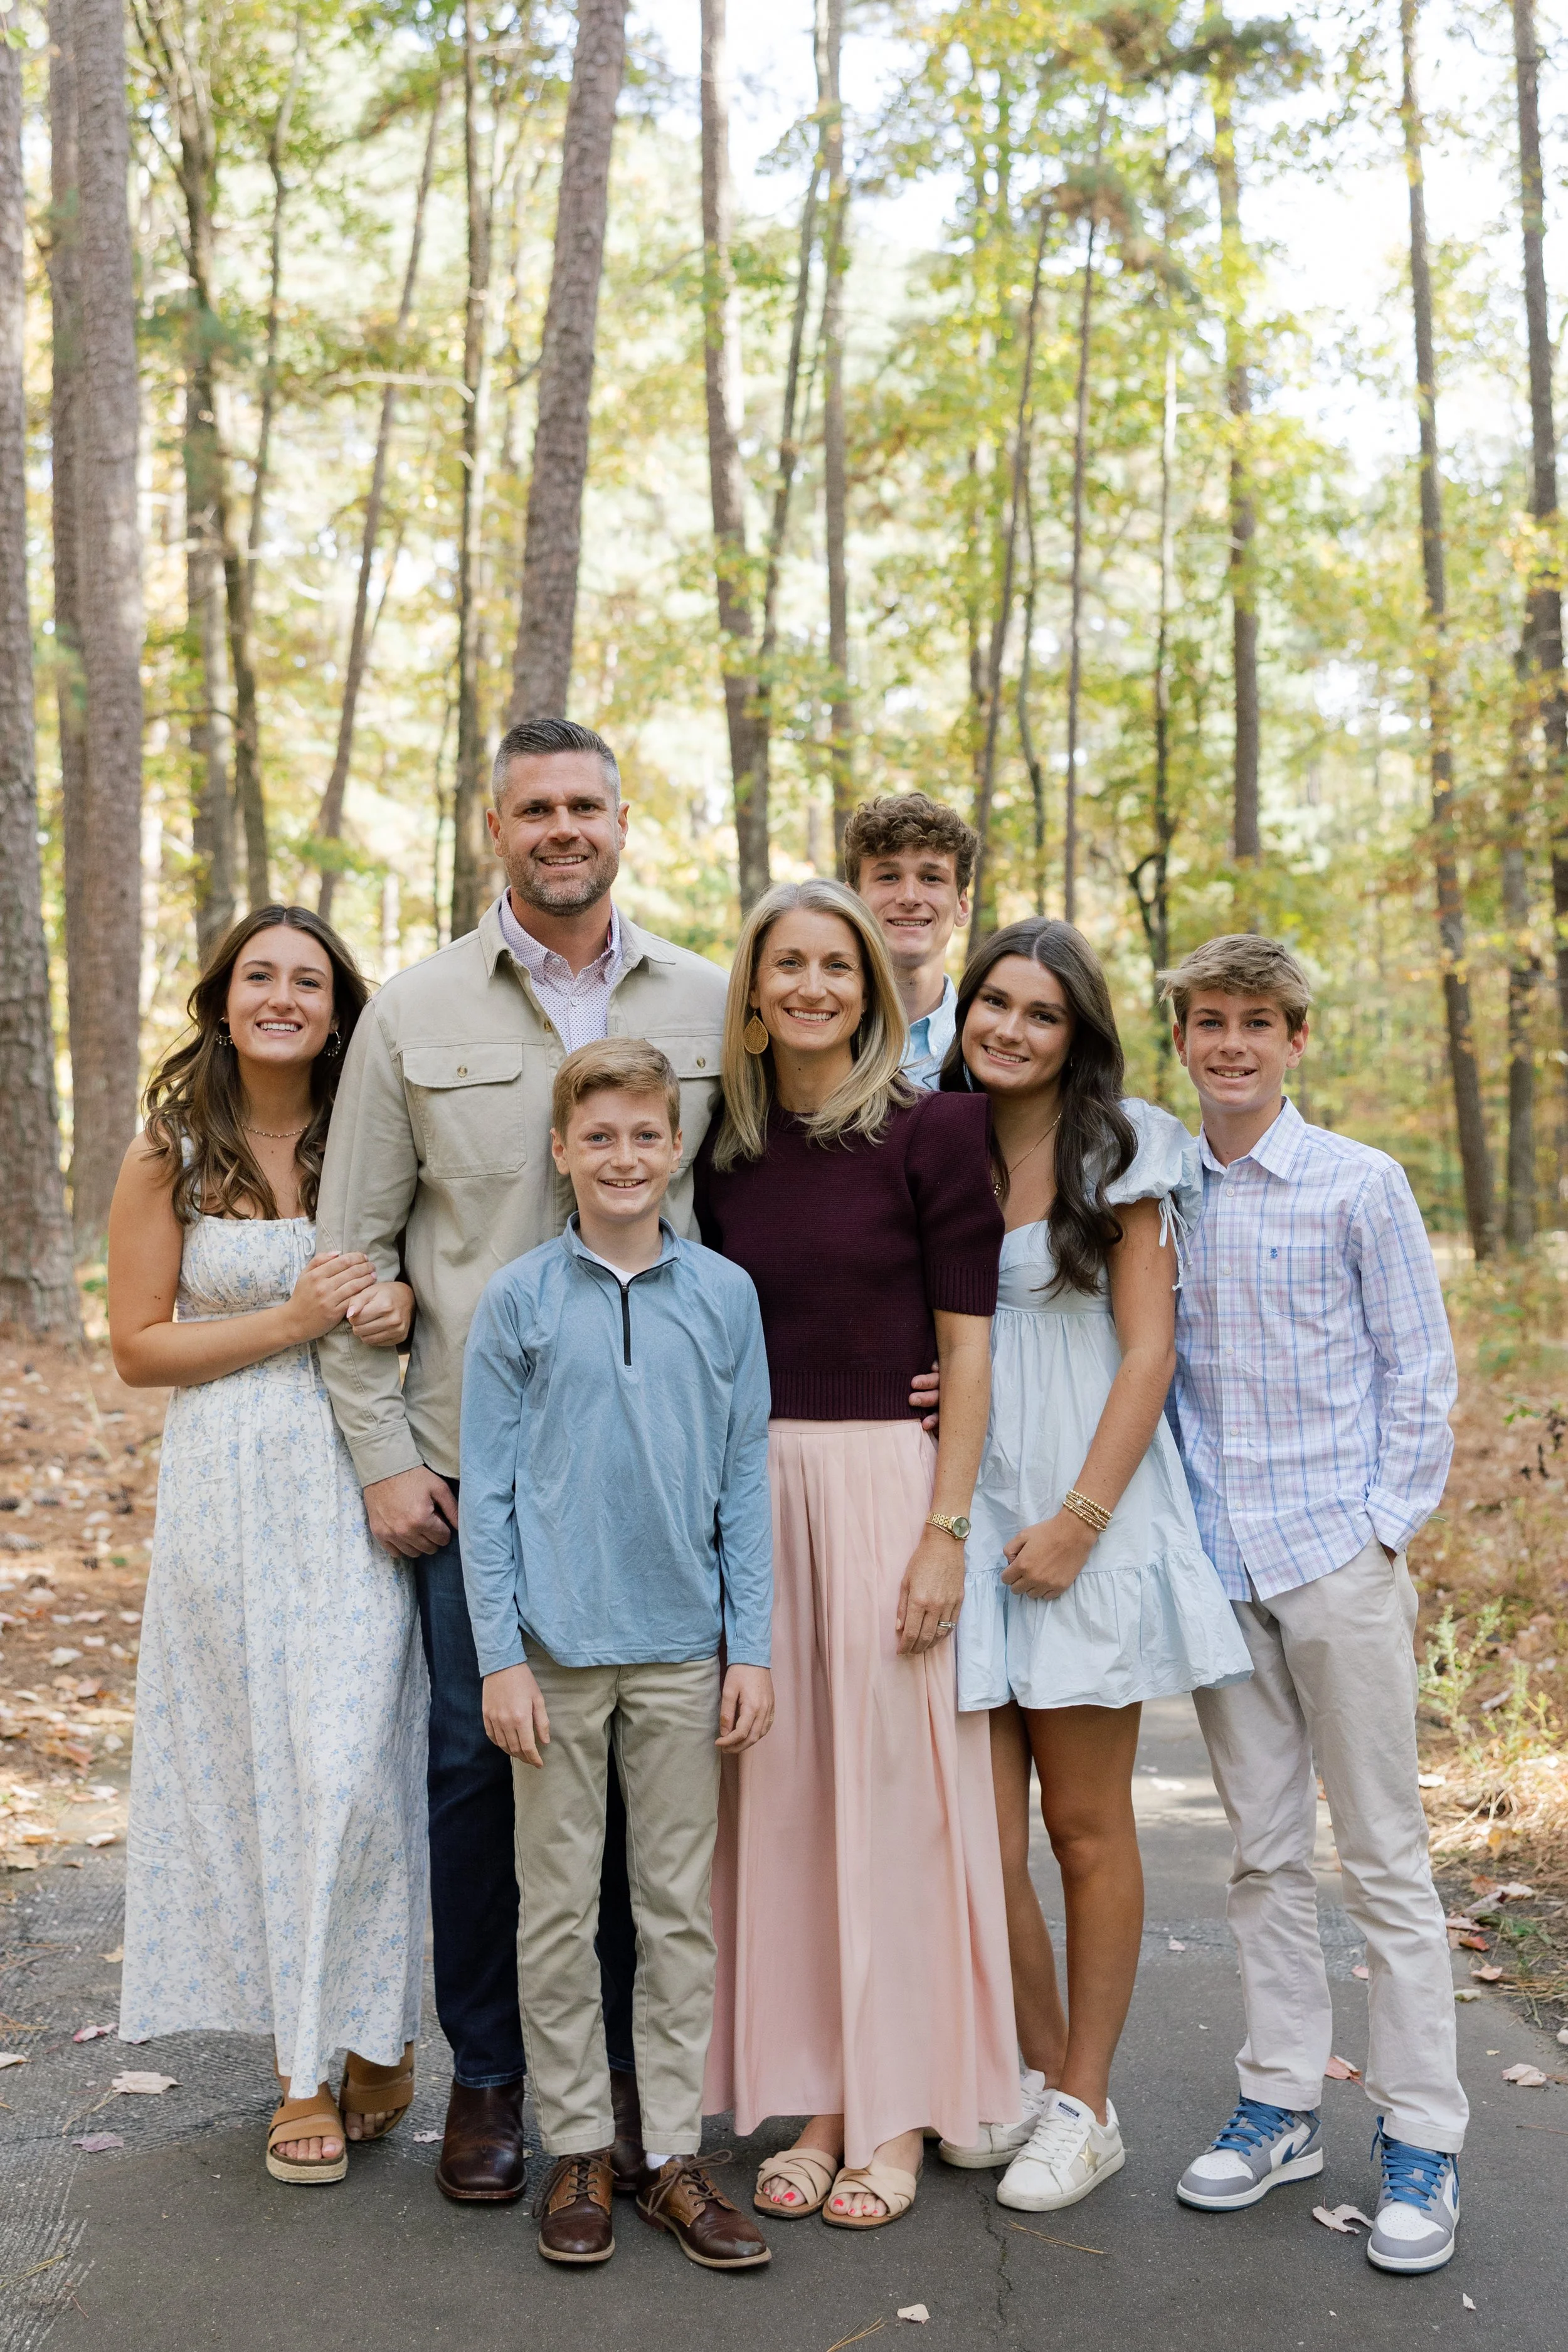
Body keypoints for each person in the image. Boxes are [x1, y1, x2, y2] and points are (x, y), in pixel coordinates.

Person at [314, 718, 728, 2203]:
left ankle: (620, 2078)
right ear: (496, 824)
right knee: (482, 1774)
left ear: (624, 822)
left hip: (655, 1487)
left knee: (638, 1788)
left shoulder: (707, 998)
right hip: (468, 1470)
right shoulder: (416, 1008)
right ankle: (491, 2073)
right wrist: (380, 1453)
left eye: (587, 805)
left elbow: (745, 1225)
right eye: (536, 806)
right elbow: (350, 1248)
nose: (564, 827)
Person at [697, 877, 1019, 2232]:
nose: (816, 985)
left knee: (892, 1800)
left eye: (838, 965)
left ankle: (893, 2110)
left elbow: (967, 1349)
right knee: (780, 1806)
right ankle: (818, 2099)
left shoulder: (937, 1131)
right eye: (790, 968)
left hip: (891, 1489)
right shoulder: (718, 1145)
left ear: (870, 990)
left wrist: (945, 1534)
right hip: (755, 1489)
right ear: (756, 999)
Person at [933, 919, 1252, 2212]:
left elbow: (1146, 1352)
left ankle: (1086, 2101)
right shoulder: (934, 1139)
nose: (1008, 1028)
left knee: (1078, 1823)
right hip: (961, 1499)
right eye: (991, 1003)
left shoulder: (1125, 1149)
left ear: (1078, 1034)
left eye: (1040, 1012)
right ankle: (1027, 2074)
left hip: (1080, 1499)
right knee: (974, 1832)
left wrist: (1079, 1518)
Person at [1161, 935, 1466, 2275]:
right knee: (1261, 1853)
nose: (1229, 1043)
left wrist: (1379, 1532)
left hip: (1332, 1559)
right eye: (1208, 1022)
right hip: (1216, 1571)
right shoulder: (1159, 1184)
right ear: (1182, 1039)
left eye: (1254, 1023)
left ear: (1295, 1040)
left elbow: (1419, 1371)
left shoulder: (1357, 1183)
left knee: (1384, 1858)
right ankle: (1280, 2101)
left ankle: (1422, 2137)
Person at [110, 907, 427, 2186]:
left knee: (353, 1763)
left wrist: (403, 1302)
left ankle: (377, 2021)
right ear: (224, 1001)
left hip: (359, 1475)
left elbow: (426, 1278)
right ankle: (302, 2069)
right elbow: (138, 1346)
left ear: (337, 1008)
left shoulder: (376, 1132)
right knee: (262, 1770)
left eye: (308, 979)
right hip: (226, 1489)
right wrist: (296, 1318)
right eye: (260, 977)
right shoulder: (171, 1150)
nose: (283, 996)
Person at [460, 1039, 775, 2270]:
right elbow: (483, 1494)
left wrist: (749, 1646)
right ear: (560, 1152)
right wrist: (499, 1657)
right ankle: (581, 2147)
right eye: (598, 1137)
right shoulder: (522, 1301)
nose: (623, 1157)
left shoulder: (723, 1297)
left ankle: (673, 2160)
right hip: (553, 1649)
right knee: (553, 1910)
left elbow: (745, 1482)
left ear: (676, 1149)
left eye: (645, 1135)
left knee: (673, 1911)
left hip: (682, 1652)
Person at [843, 790, 975, 1088]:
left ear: (962, 905)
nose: (910, 898)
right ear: (852, 902)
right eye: (889, 876)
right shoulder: (819, 1035)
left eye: (931, 878)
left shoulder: (989, 1046)